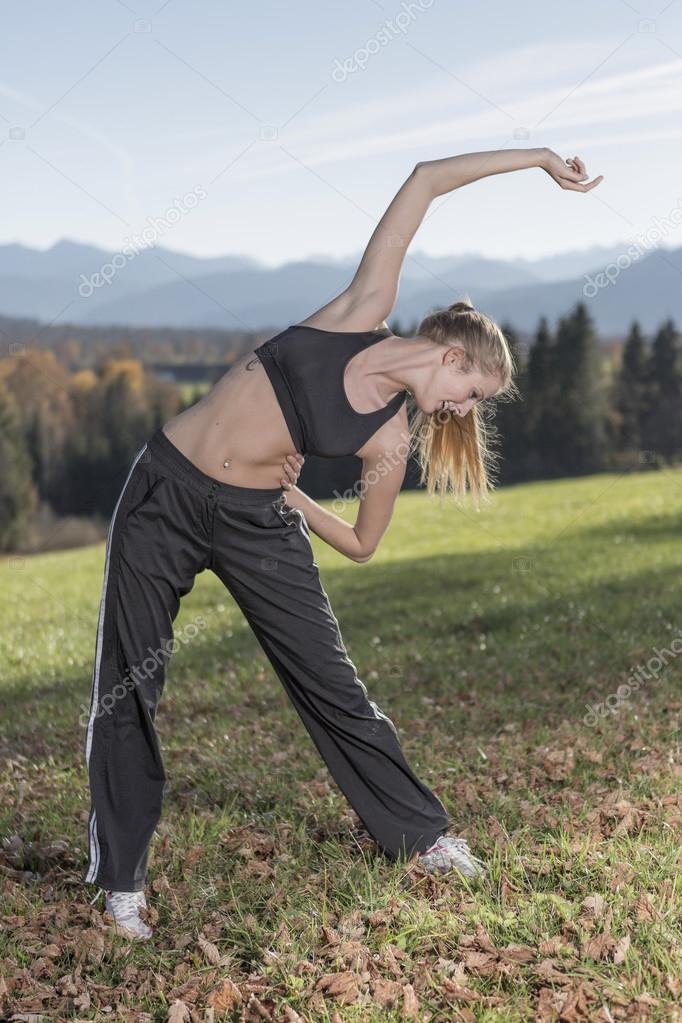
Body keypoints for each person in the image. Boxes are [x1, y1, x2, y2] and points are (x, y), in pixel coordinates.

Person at [82, 146, 602, 940]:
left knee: (334, 686)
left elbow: (362, 542)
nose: (464, 412)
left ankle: (423, 834)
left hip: (262, 523)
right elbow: (426, 178)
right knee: (128, 685)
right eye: (471, 394)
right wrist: (537, 159)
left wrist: (291, 495)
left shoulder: (391, 442)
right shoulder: (362, 309)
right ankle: (120, 882)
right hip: (166, 490)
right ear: (451, 354)